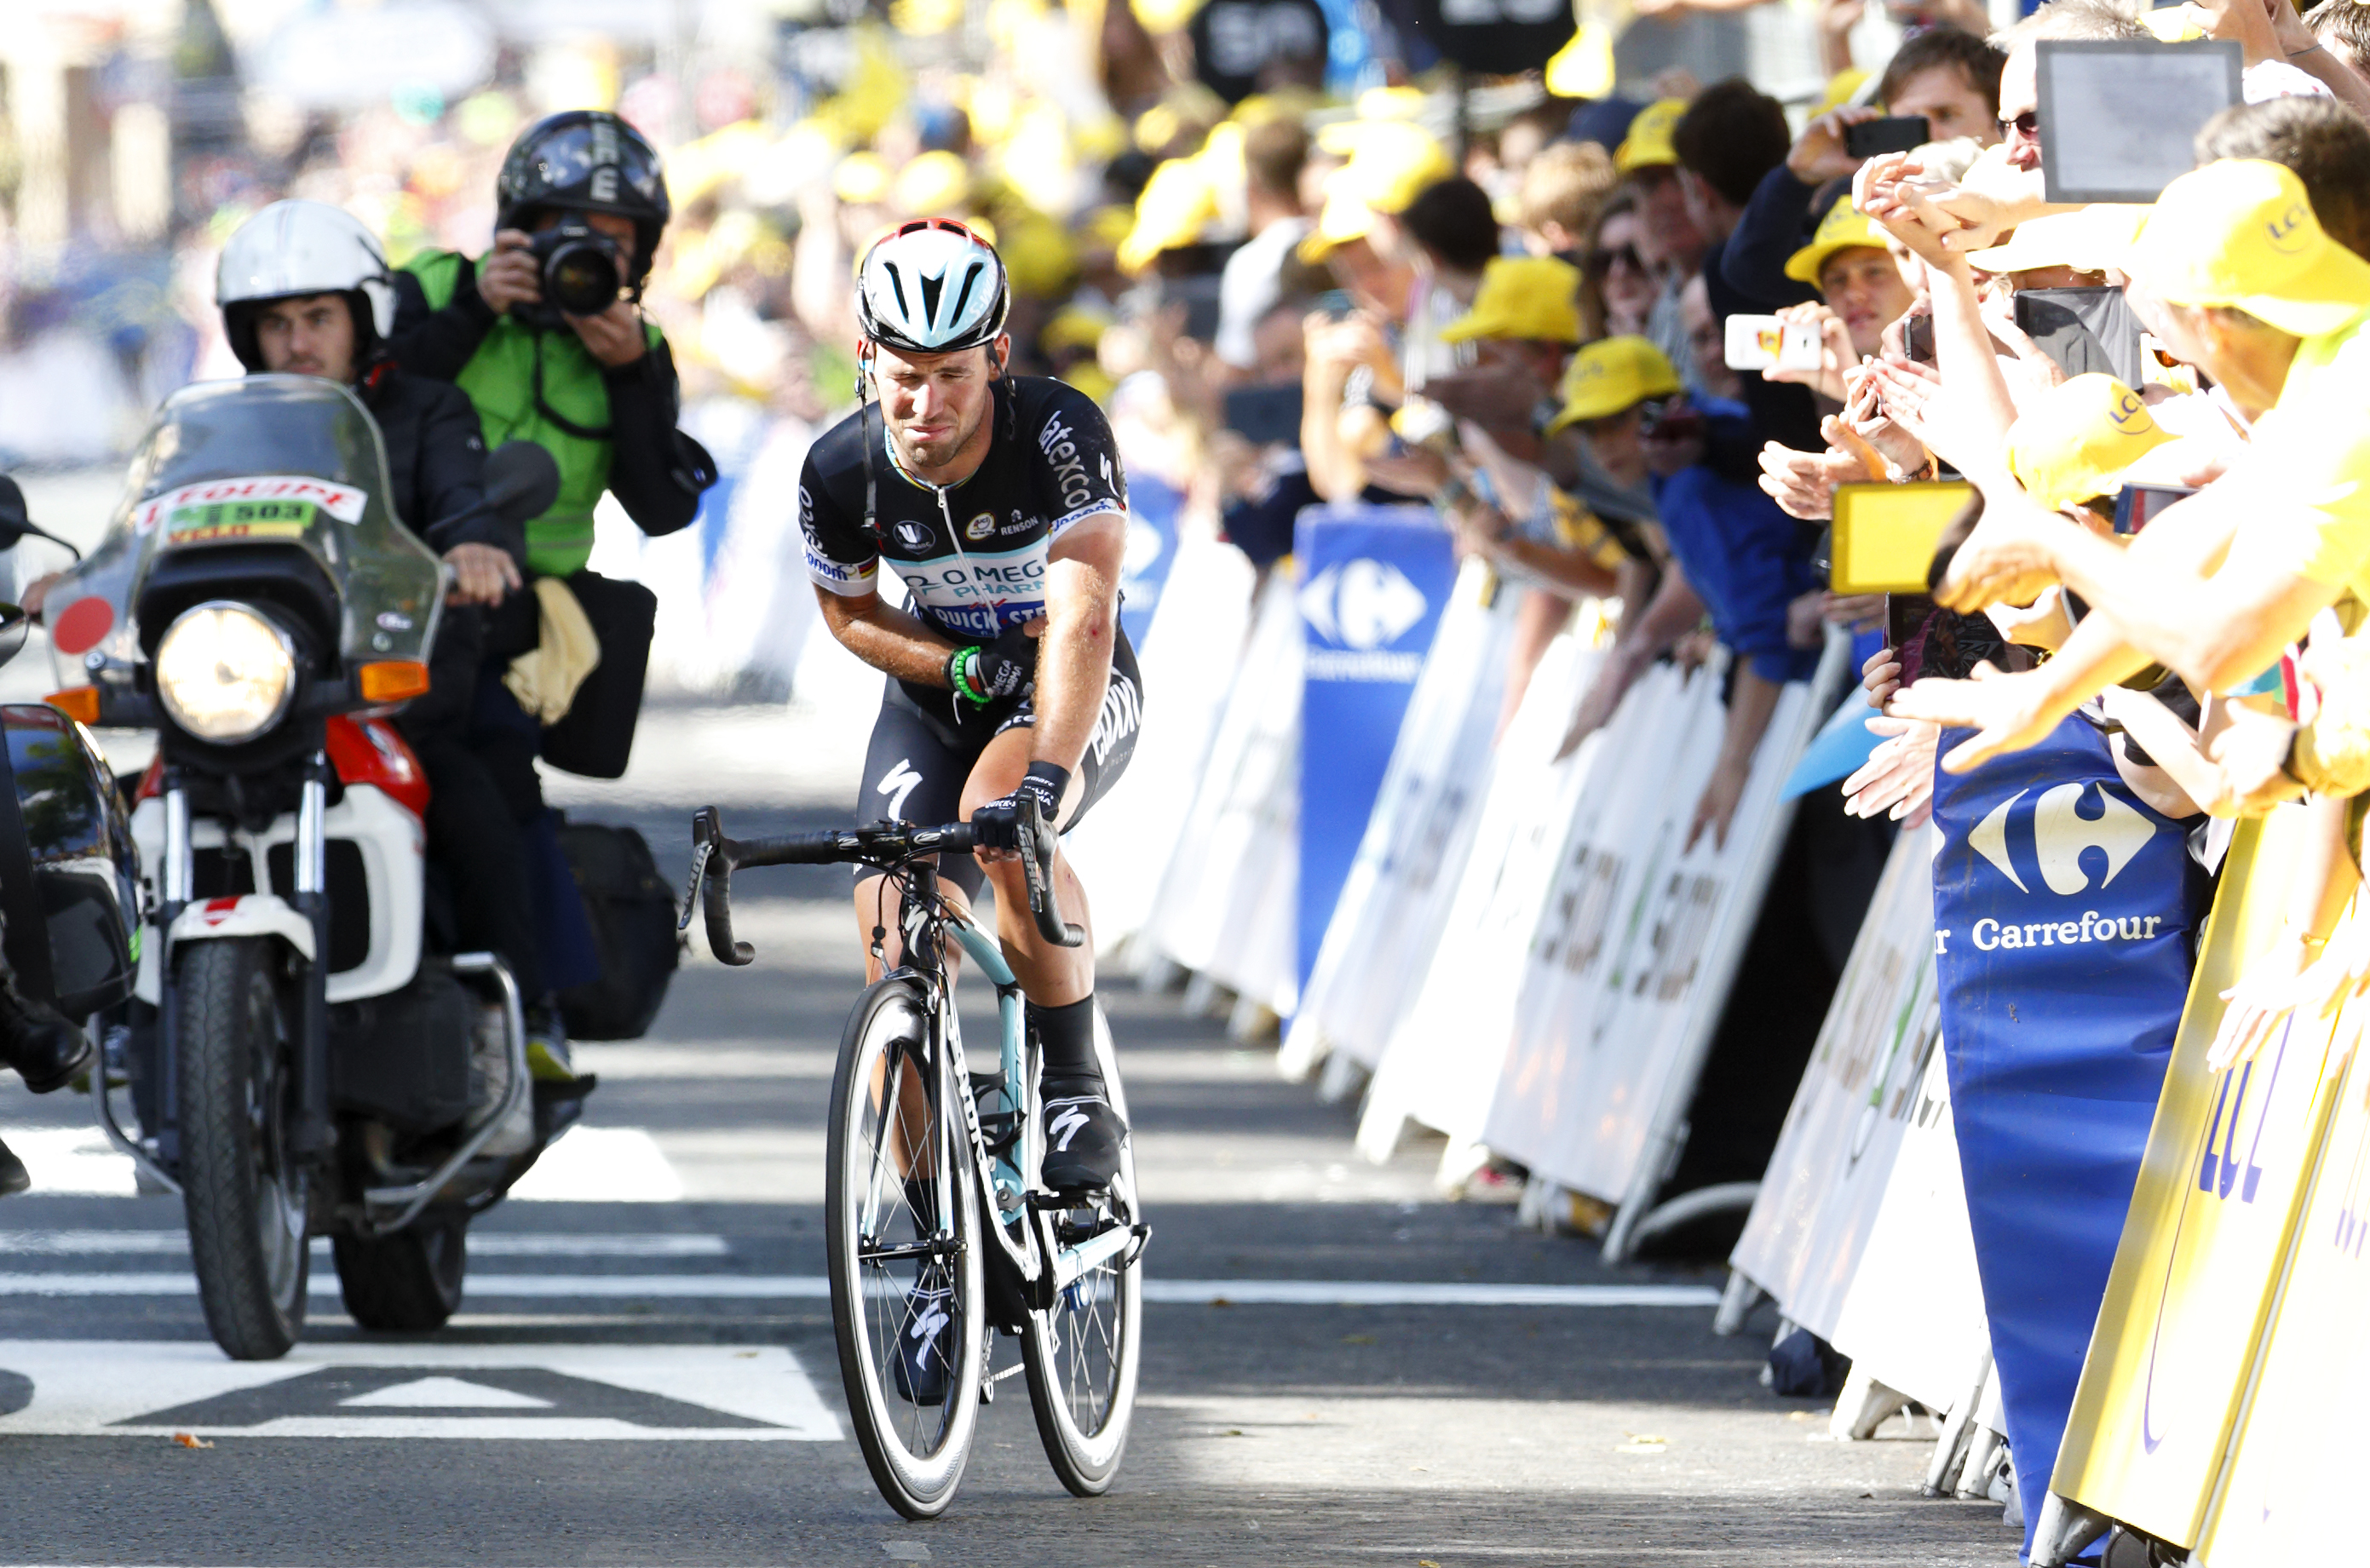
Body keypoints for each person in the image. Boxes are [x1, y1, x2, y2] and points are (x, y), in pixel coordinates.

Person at [799, 220, 1141, 1205]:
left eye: (952, 374)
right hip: (948, 686)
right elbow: (852, 613)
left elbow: (1082, 615)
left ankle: (1073, 1078)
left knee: (1003, 825)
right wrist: (960, 662)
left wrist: (1045, 776)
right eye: (903, 374)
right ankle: (933, 1232)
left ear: (995, 357)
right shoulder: (839, 468)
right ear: (867, 357)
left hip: (1070, 678)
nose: (925, 403)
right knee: (886, 918)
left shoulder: (1058, 428)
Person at [383, 110, 714, 1078]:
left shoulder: (631, 348)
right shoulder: (436, 289)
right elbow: (367, 404)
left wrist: (624, 377)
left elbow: (662, 506)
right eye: (566, 227)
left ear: (641, 255)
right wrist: (476, 310)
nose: (588, 252)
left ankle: (528, 1002)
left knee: (490, 762)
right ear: (514, 226)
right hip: (394, 597)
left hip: (527, 621)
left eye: (612, 240)